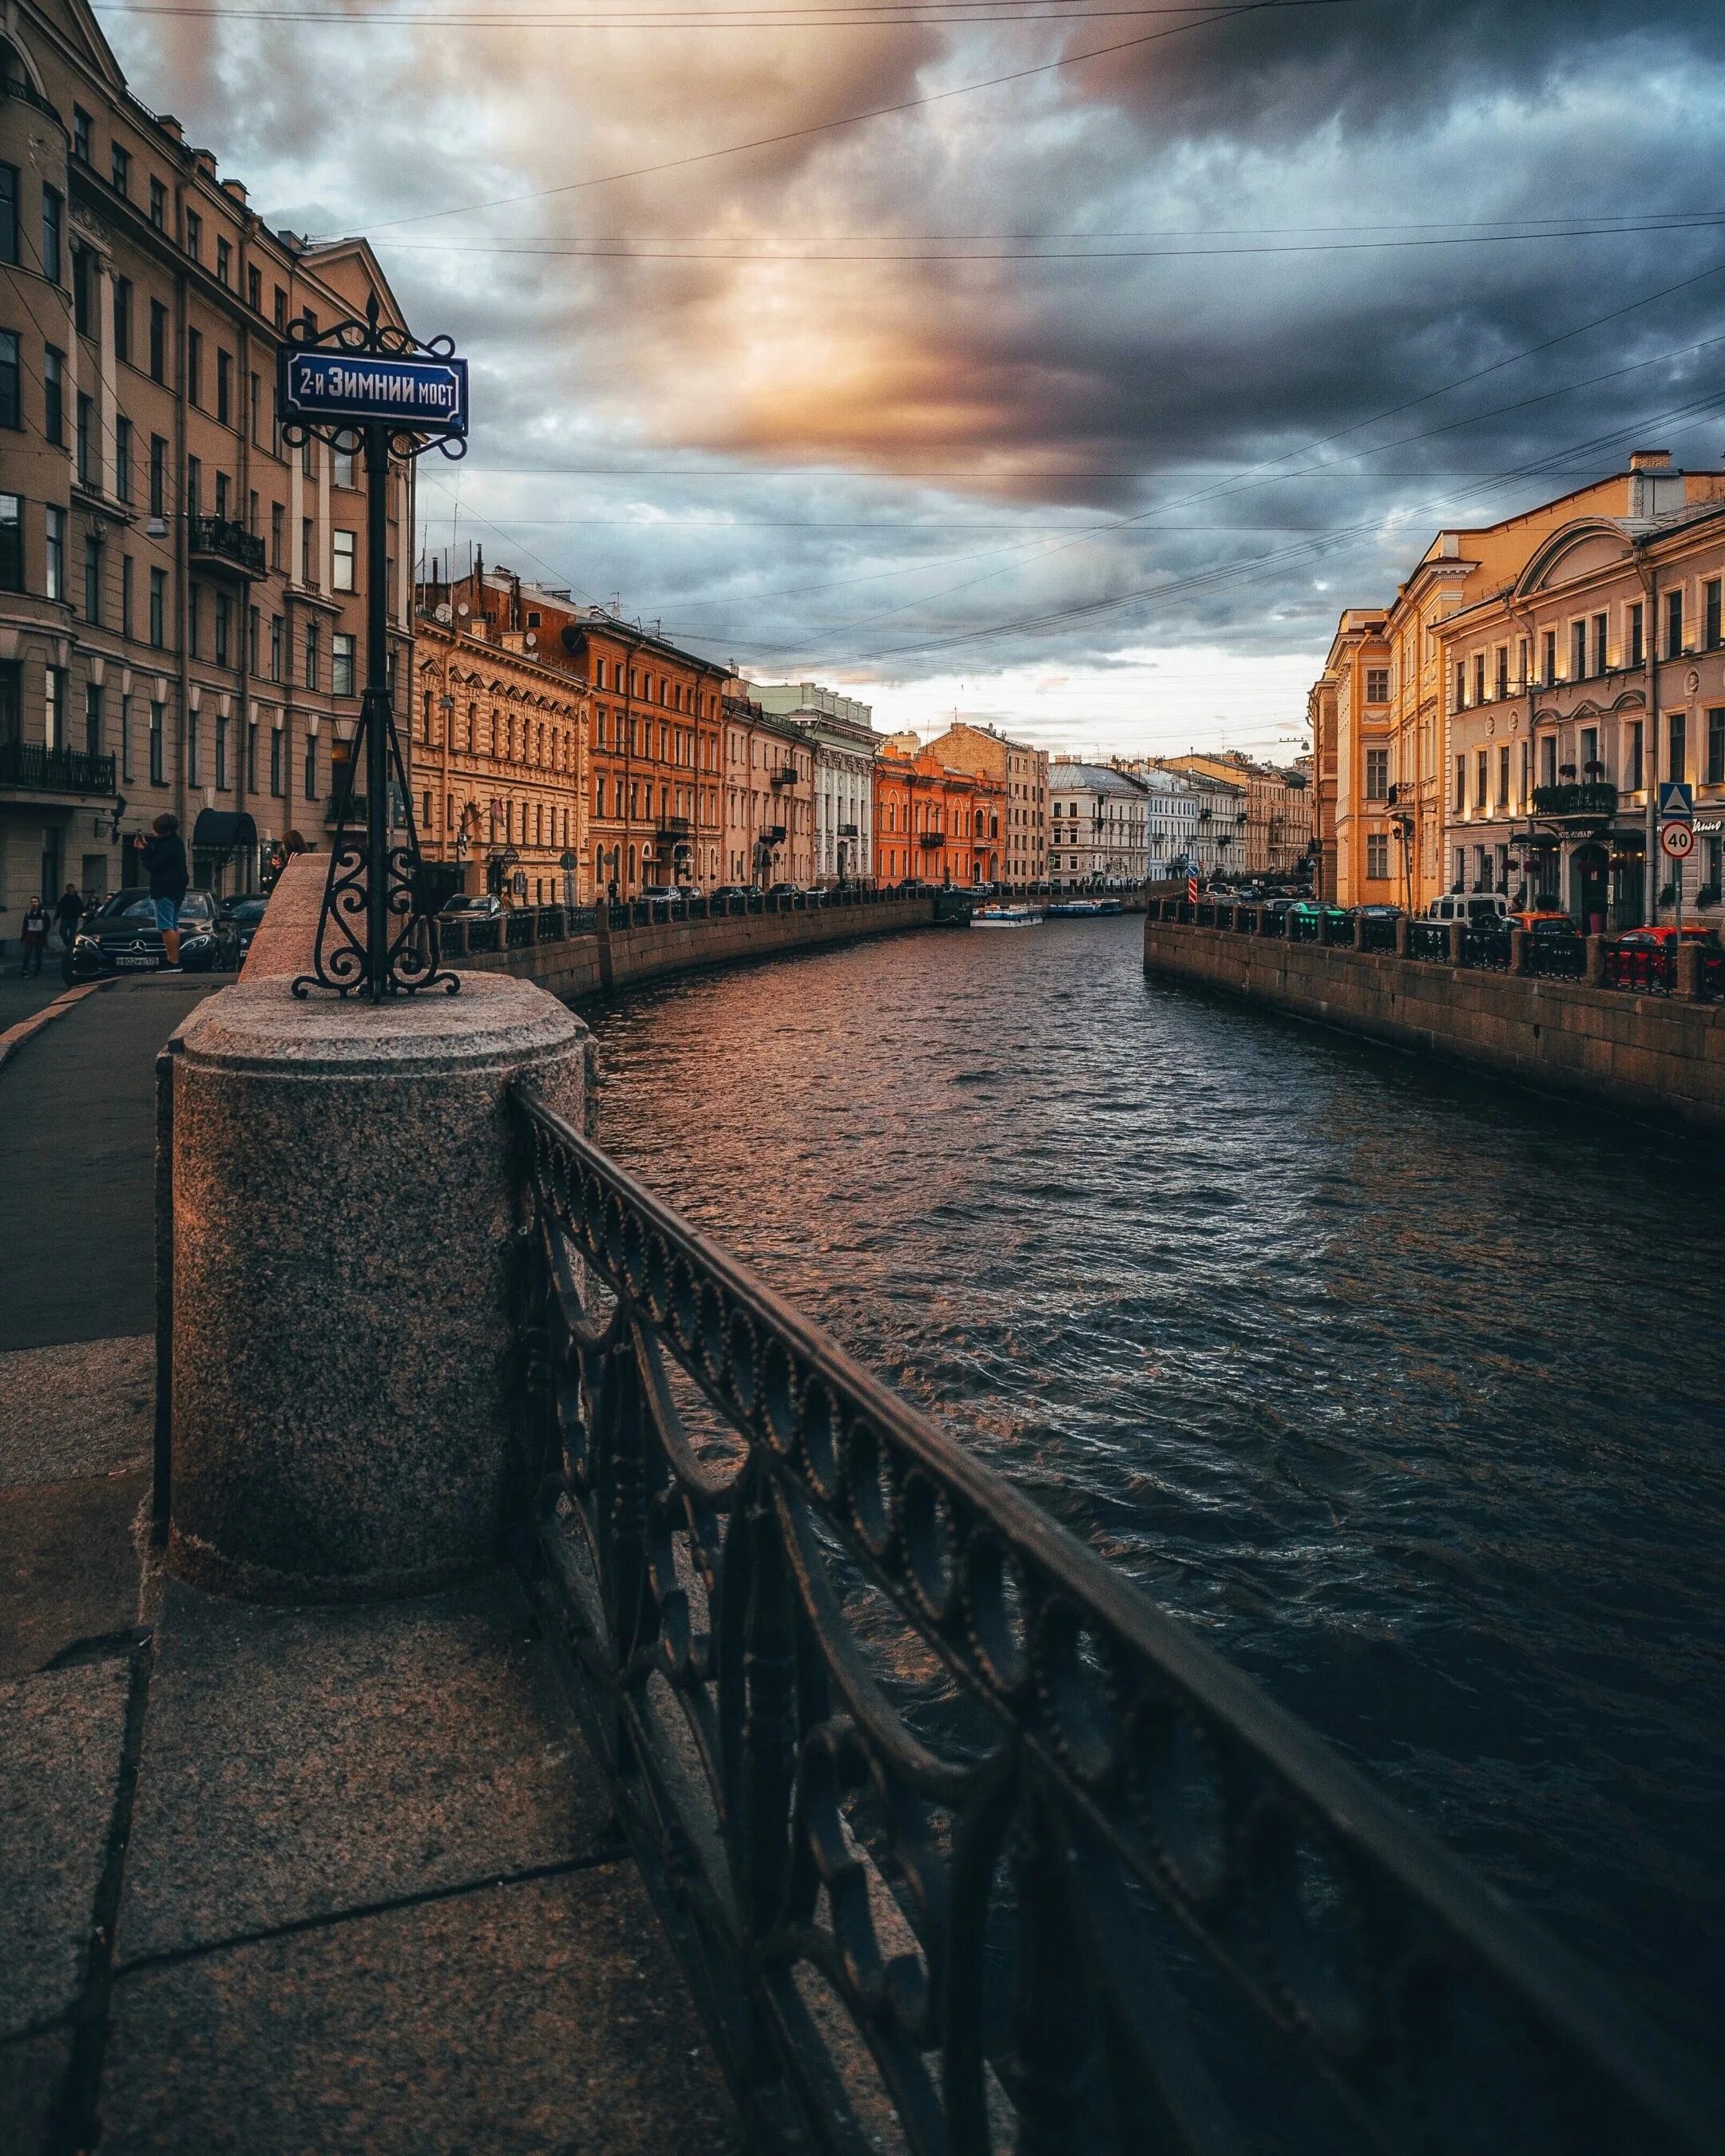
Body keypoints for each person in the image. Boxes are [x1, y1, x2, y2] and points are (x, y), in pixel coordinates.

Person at [133, 811, 189, 968]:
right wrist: (147, 847)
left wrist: (143, 851)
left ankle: (172, 960)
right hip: (178, 890)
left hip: (164, 890)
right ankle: (175, 958)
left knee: (166, 927)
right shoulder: (177, 843)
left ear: (161, 830)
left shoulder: (165, 846)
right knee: (174, 925)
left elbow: (153, 865)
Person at [19, 896, 50, 976]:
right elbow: (25, 925)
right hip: (30, 934)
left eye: (35, 902)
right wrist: (23, 936)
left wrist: (44, 933)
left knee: (38, 954)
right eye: (32, 902)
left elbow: (47, 924)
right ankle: (25, 970)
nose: (34, 903)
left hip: (39, 935)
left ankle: (37, 970)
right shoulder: (28, 913)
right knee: (27, 954)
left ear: (39, 903)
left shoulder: (43, 913)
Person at [54, 882, 84, 951]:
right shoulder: (64, 898)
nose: (70, 891)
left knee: (72, 935)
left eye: (71, 889)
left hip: (73, 919)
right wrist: (56, 918)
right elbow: (59, 908)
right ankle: (68, 945)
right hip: (65, 918)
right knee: (62, 932)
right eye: (68, 889)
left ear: (73, 890)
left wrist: (80, 915)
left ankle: (70, 948)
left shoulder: (77, 898)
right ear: (66, 890)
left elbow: (81, 908)